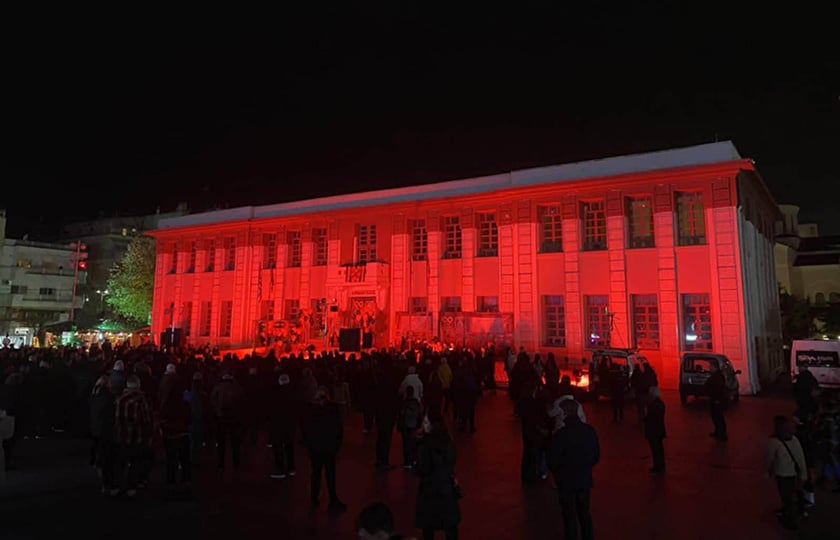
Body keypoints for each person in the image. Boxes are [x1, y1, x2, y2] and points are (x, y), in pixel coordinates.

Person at [547, 399, 600, 540]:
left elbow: (552, 460)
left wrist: (557, 472)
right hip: (584, 480)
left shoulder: (561, 435)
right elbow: (596, 456)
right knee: (585, 513)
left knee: (569, 515)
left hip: (566, 481)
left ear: (564, 413)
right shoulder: (589, 431)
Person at [415, 410, 460, 540]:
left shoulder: (425, 445)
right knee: (450, 525)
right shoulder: (448, 441)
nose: (423, 425)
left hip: (429, 489)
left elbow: (423, 469)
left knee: (428, 525)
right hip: (446, 488)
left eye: (426, 422)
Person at [302, 386, 346, 511]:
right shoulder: (333, 409)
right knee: (330, 474)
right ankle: (332, 499)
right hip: (328, 448)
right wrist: (337, 445)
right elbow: (338, 428)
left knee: (316, 474)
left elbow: (306, 429)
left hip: (316, 448)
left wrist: (309, 444)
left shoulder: (310, 410)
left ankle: (314, 498)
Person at [113, 375, 153, 498]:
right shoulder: (140, 400)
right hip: (136, 435)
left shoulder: (119, 399)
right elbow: (145, 419)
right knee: (135, 462)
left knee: (120, 462)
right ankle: (131, 487)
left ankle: (116, 486)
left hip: (120, 434)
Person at [765, 415, 807, 530]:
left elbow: (769, 458)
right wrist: (803, 474)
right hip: (793, 473)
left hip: (782, 473)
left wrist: (767, 471)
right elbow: (800, 458)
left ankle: (789, 519)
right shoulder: (794, 439)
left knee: (786, 497)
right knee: (789, 495)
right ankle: (787, 512)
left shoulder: (773, 442)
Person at [159, 364, 191, 489]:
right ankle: (186, 479)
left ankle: (171, 480)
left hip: (169, 428)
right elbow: (188, 404)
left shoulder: (163, 389)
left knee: (171, 455)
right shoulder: (183, 389)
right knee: (184, 455)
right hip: (182, 427)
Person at [210, 371, 245, 470]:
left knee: (221, 442)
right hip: (234, 418)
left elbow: (212, 401)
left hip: (221, 418)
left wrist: (217, 412)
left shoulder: (217, 388)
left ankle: (221, 463)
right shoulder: (237, 388)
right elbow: (242, 402)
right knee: (235, 442)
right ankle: (236, 462)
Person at [89, 375, 115, 492]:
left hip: (95, 428)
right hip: (105, 429)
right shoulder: (109, 397)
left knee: (98, 449)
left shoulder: (93, 396)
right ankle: (107, 481)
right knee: (106, 455)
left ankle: (103, 479)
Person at [269, 374, 296, 479]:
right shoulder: (293, 393)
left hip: (278, 424)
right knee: (289, 446)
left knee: (278, 447)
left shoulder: (276, 394)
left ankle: (279, 469)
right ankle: (291, 468)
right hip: (290, 424)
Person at [398, 385, 422, 468]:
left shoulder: (404, 402)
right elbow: (419, 413)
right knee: (413, 443)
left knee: (405, 443)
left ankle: (407, 461)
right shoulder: (416, 403)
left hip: (405, 424)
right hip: (413, 424)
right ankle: (413, 460)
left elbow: (401, 414)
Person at [704, 362, 728, 441]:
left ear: (715, 368)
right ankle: (718, 431)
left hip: (716, 399)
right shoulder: (715, 376)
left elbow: (718, 388)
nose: (709, 368)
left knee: (718, 417)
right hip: (714, 398)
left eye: (711, 367)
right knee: (715, 416)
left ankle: (722, 433)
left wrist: (717, 399)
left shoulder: (717, 377)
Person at [645, 387, 666, 474]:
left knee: (655, 449)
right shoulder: (660, 404)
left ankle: (658, 466)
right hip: (659, 430)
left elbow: (649, 418)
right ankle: (660, 465)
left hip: (653, 430)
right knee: (659, 448)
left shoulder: (652, 405)